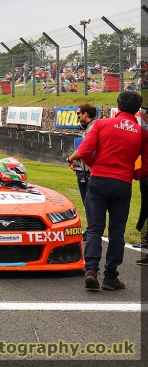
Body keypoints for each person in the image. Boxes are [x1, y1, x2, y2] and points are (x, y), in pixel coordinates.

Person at [77, 90, 148, 291]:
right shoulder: (143, 133)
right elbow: (146, 167)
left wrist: (96, 164)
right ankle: (111, 276)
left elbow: (83, 151)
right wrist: (133, 174)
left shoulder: (101, 124)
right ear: (137, 111)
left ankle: (91, 270)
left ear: (117, 106)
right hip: (122, 182)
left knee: (95, 229)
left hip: (99, 179)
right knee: (117, 233)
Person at [66, 104, 98, 208]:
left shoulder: (92, 128)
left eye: (78, 113)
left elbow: (83, 150)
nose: (77, 116)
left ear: (86, 114)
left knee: (89, 205)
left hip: (87, 171)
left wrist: (69, 159)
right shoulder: (91, 127)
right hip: (86, 169)